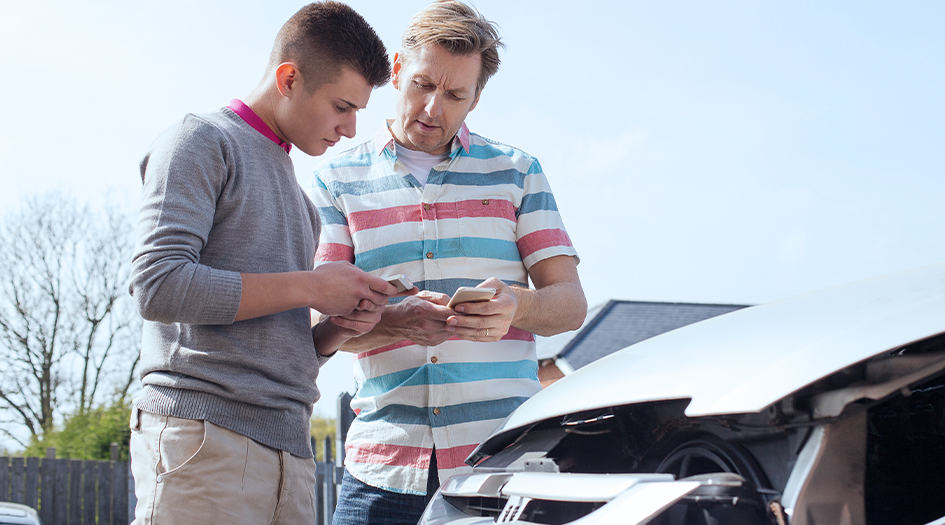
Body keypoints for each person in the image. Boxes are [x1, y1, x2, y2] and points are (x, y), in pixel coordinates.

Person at [310, 2, 588, 523]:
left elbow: (570, 304)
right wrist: (393, 322)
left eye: (456, 94)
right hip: (381, 471)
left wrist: (517, 308)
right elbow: (315, 327)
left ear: (477, 97)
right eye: (421, 85)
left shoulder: (519, 172)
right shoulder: (336, 180)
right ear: (396, 70)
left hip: (503, 465)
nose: (433, 108)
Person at [127, 3, 405, 524]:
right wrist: (312, 287)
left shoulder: (303, 204)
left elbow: (277, 338)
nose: (349, 129)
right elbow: (158, 286)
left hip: (291, 451)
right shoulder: (201, 140)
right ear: (289, 77)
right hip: (204, 439)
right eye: (342, 106)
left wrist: (335, 331)